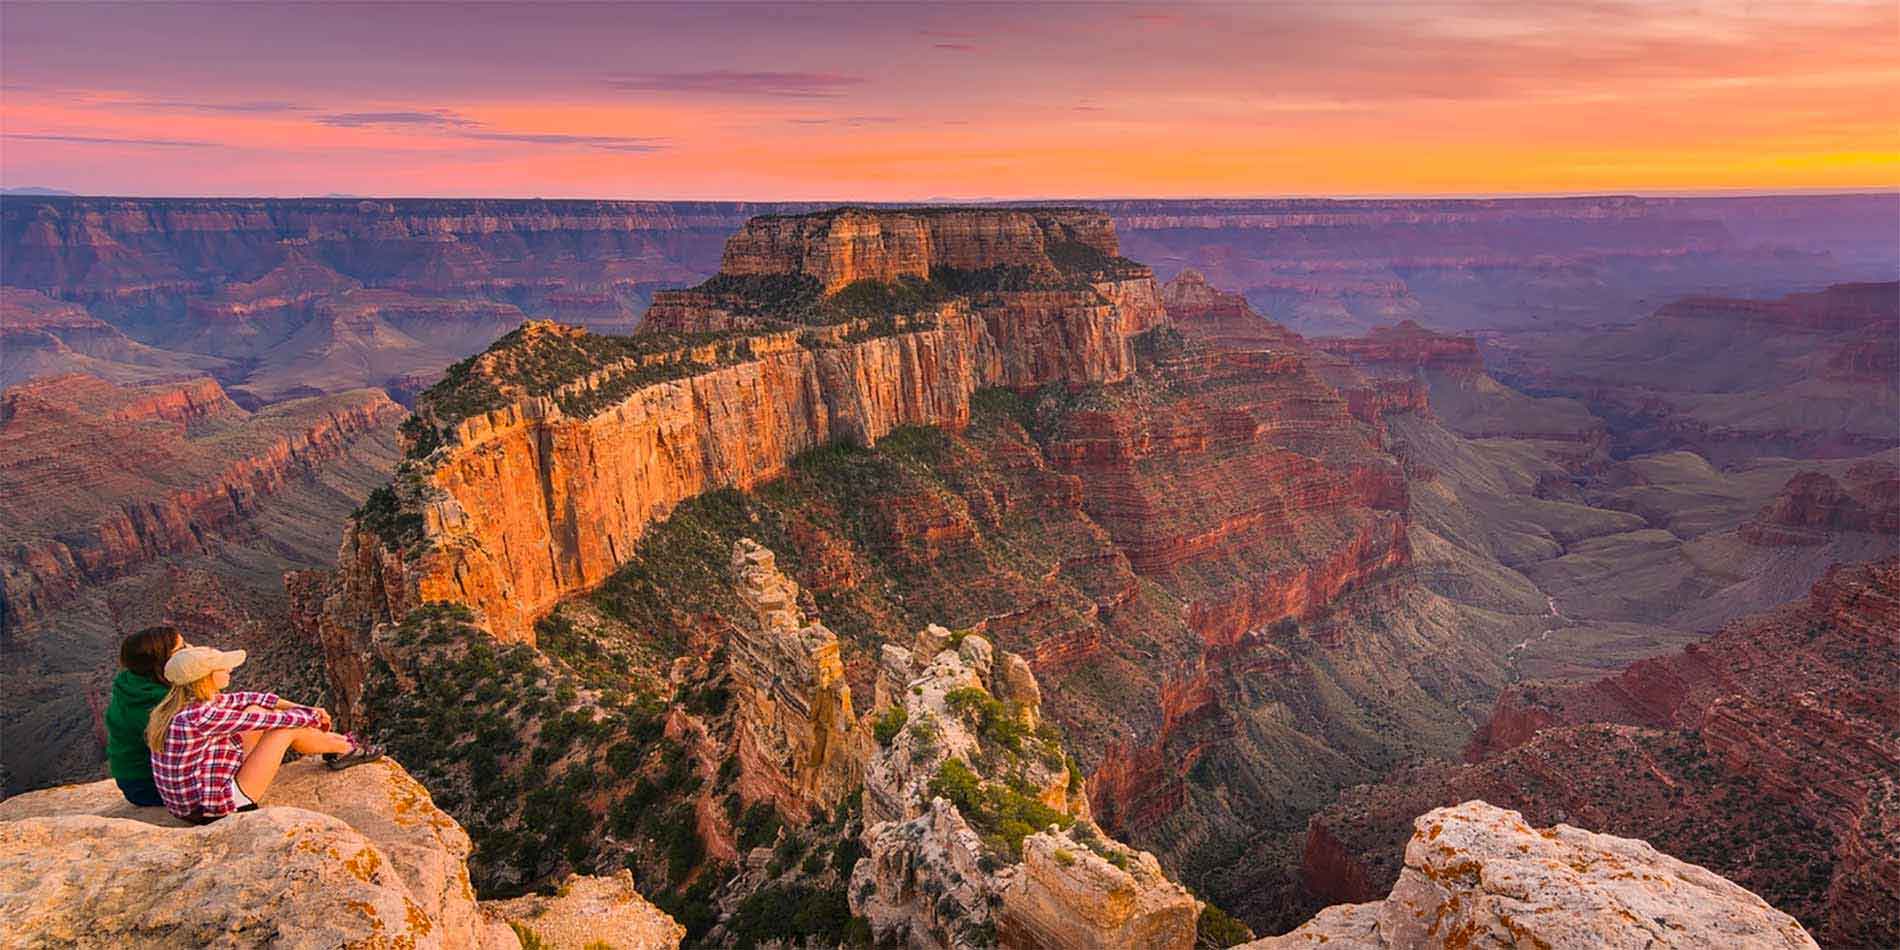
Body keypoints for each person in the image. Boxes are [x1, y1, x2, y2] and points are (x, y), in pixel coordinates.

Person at [147, 645, 382, 823]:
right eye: (223, 666)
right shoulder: (199, 717)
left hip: (196, 796)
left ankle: (337, 745)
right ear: (206, 677)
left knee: (255, 709)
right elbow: (274, 721)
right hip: (212, 808)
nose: (229, 669)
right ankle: (344, 748)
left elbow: (250, 699)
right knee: (283, 730)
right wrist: (313, 717)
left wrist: (306, 709)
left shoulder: (184, 703)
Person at [103, 625, 186, 806]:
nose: (190, 650)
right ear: (161, 661)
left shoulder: (130, 682)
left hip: (133, 781)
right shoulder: (157, 702)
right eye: (181, 649)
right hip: (148, 786)